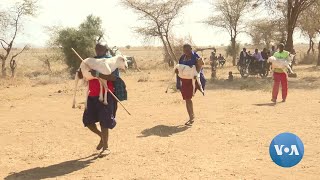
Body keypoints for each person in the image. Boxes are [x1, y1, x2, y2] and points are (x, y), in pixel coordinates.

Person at [77, 42, 119, 156]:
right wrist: (81, 71)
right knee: (88, 121)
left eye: (101, 49)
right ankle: (101, 136)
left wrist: (98, 74)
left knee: (104, 121)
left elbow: (114, 78)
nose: (98, 50)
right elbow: (82, 76)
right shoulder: (90, 61)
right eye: (97, 48)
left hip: (106, 95)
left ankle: (106, 148)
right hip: (92, 95)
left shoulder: (111, 61)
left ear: (106, 50)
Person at [176, 44, 205, 126]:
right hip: (184, 80)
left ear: (191, 49)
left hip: (192, 80)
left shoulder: (195, 56)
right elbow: (179, 68)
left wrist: (198, 68)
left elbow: (200, 66)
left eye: (188, 50)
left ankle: (191, 117)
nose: (186, 52)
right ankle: (191, 116)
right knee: (186, 99)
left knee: (188, 98)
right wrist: (177, 73)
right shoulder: (182, 58)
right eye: (184, 51)